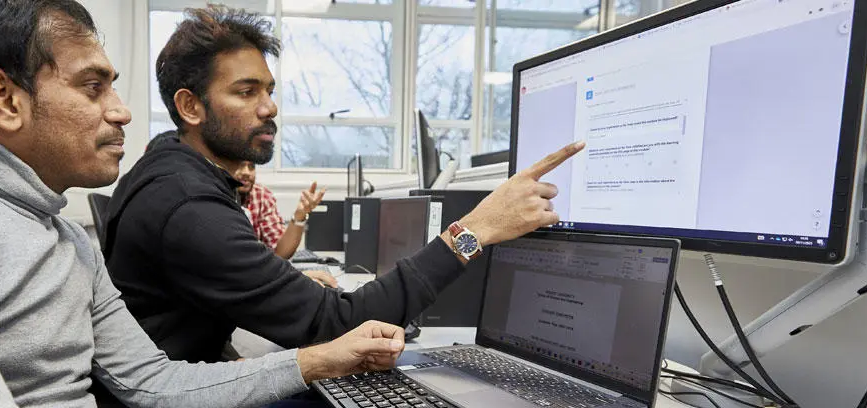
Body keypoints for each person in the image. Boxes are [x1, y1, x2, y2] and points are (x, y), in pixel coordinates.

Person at [0, 1, 408, 407]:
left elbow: (153, 385)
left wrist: (324, 358)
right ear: (4, 98)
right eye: (92, 86)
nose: (122, 111)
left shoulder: (64, 239)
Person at [102, 5, 584, 366]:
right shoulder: (188, 205)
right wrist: (474, 229)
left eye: (269, 90)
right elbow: (336, 324)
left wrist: (282, 283)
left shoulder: (173, 173)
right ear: (191, 107)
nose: (269, 107)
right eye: (246, 92)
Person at [233, 161, 324, 260]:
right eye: (240, 164)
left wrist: (299, 215)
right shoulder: (217, 194)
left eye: (251, 166)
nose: (247, 172)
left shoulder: (261, 195)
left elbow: (280, 253)